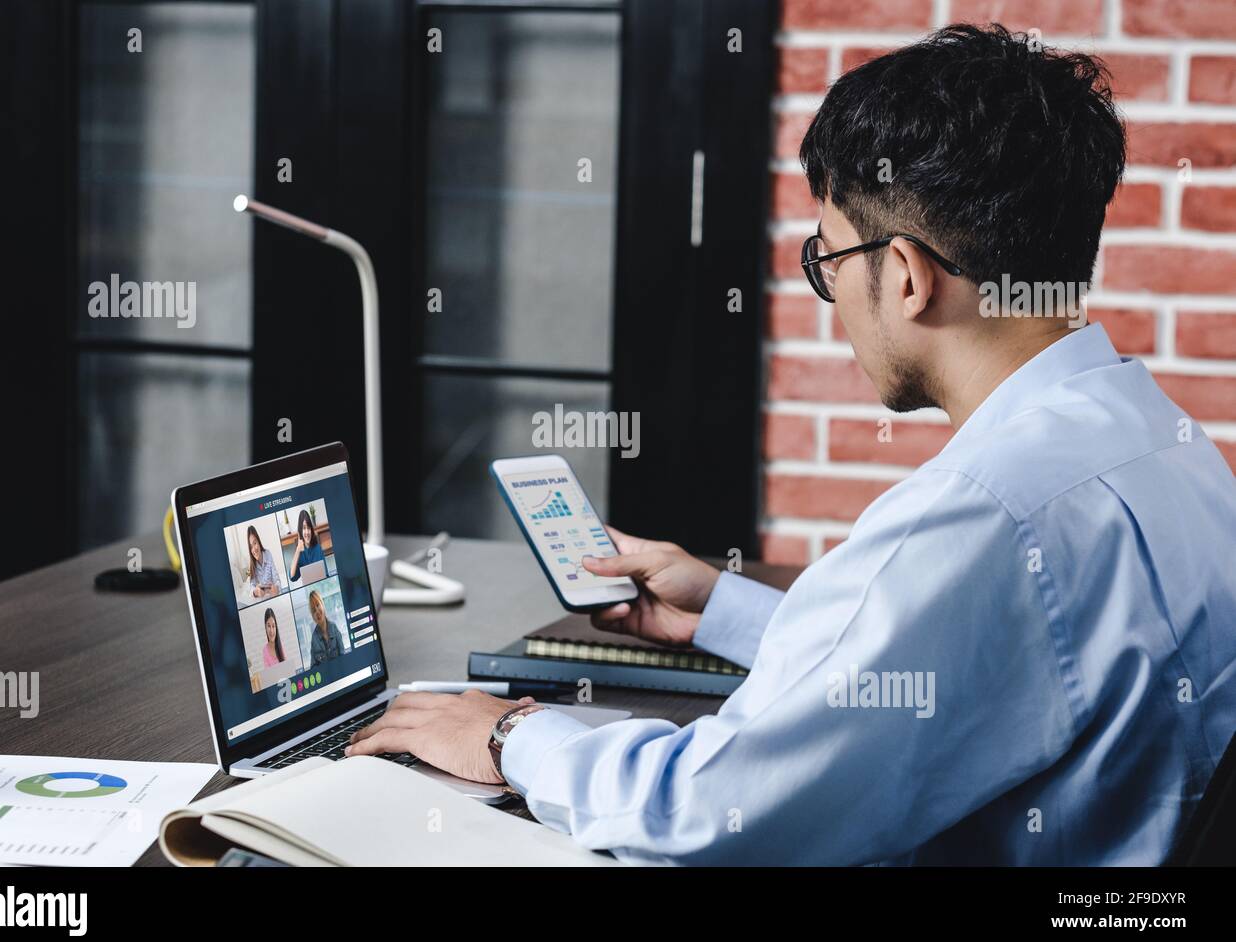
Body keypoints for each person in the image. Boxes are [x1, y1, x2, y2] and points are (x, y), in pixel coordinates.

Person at [343, 24, 1236, 865]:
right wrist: (727, 610)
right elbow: (994, 656)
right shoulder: (1164, 441)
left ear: (909, 277)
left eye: (830, 259)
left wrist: (507, 735)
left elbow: (706, 815)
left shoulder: (983, 516)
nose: (833, 294)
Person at [244, 525, 282, 600]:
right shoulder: (252, 564)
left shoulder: (268, 554)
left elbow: (276, 578)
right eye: (251, 546)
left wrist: (276, 588)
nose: (254, 549)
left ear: (259, 541)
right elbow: (252, 586)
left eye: (255, 543)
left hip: (272, 595)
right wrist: (255, 592)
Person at [307, 590, 342, 665]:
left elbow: (343, 656)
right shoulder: (314, 639)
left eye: (318, 605)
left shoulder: (334, 628)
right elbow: (313, 668)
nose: (317, 612)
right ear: (312, 616)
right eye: (313, 610)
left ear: (322, 604)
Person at [288, 509, 324, 582]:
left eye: (308, 528)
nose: (307, 532)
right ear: (300, 531)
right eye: (304, 528)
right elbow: (292, 577)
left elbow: (325, 574)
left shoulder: (318, 549)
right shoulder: (299, 554)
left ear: (311, 530)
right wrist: (298, 550)